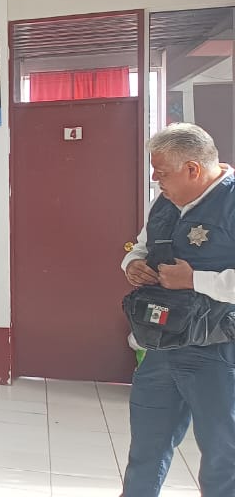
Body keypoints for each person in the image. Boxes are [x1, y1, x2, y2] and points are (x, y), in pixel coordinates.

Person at [120, 123, 235, 496]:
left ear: (193, 169)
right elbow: (141, 245)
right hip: (162, 345)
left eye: (162, 172)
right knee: (146, 449)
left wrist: (195, 280)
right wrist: (132, 265)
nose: (155, 180)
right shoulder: (165, 203)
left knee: (223, 455)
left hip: (218, 351)